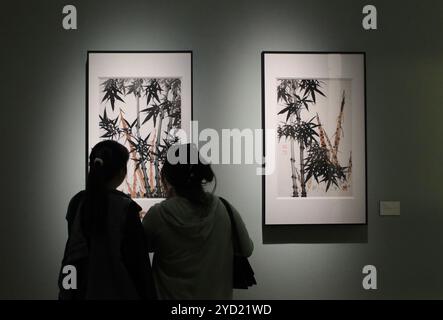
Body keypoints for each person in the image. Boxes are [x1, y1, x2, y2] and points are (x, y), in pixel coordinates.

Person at [142, 143, 254, 299]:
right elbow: (247, 249)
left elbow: (138, 250)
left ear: (166, 177)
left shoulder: (159, 214)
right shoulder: (225, 209)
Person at [58, 140, 156, 300]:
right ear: (121, 171)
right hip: (117, 290)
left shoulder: (77, 202)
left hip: (81, 291)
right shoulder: (126, 207)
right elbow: (138, 264)